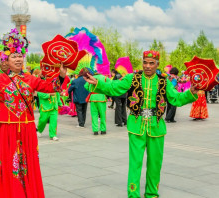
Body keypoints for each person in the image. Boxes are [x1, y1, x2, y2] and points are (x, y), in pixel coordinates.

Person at [0, 29, 66, 198]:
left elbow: (52, 88)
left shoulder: (31, 79)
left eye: (20, 55)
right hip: (6, 130)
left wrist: (61, 76)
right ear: (6, 60)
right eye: (14, 56)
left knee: (28, 164)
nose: (18, 58)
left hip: (27, 129)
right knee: (8, 164)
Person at [84, 50, 199, 198]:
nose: (148, 66)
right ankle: (133, 195)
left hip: (156, 126)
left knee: (155, 164)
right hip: (136, 125)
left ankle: (151, 194)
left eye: (151, 63)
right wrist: (98, 82)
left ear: (157, 64)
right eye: (145, 62)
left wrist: (191, 92)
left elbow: (176, 98)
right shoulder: (133, 78)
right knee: (135, 163)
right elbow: (114, 87)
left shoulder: (164, 81)